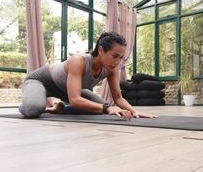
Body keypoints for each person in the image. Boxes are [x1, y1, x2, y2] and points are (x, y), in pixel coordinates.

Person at [19, 32, 157, 120]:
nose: (117, 62)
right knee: (33, 109)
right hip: (41, 81)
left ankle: (59, 108)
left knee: (100, 108)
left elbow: (118, 98)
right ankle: (31, 101)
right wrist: (107, 108)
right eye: (115, 56)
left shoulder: (111, 69)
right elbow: (75, 100)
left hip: (67, 89)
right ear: (101, 50)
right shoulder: (78, 61)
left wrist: (134, 111)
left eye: (120, 57)